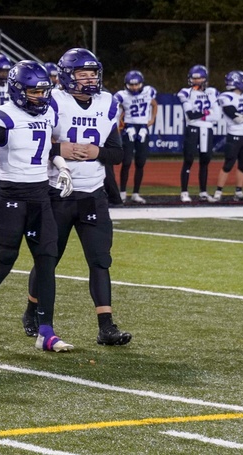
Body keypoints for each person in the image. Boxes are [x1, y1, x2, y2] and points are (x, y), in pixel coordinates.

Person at [0, 60, 75, 352]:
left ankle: (45, 331)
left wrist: (61, 166)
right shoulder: (3, 116)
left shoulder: (47, 113)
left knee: (47, 261)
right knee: (5, 260)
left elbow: (47, 146)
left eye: (44, 91)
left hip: (40, 194)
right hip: (11, 195)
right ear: (19, 91)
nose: (41, 97)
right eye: (35, 92)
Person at [18, 48, 129, 347]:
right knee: (48, 259)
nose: (90, 79)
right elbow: (30, 142)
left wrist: (98, 153)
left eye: (93, 74)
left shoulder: (108, 103)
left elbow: (117, 153)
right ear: (68, 77)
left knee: (100, 260)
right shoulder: (52, 101)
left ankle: (106, 326)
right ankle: (32, 310)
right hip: (57, 193)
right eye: (83, 74)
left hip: (93, 193)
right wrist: (59, 150)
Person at [178, 65, 220, 203]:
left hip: (206, 129)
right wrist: (207, 113)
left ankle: (203, 191)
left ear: (205, 79)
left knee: (205, 160)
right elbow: (190, 114)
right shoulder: (185, 92)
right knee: (189, 159)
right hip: (193, 129)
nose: (196, 81)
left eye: (199, 78)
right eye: (194, 78)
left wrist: (201, 115)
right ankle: (184, 192)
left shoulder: (212, 92)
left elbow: (217, 116)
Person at [114, 70, 157, 204]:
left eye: (136, 85)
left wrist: (152, 119)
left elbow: (154, 104)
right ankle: (122, 192)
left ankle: (136, 193)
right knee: (126, 162)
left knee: (140, 163)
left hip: (143, 128)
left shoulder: (149, 91)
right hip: (129, 128)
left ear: (141, 84)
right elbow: (116, 110)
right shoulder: (122, 95)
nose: (134, 87)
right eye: (131, 85)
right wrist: (117, 125)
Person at [213, 71, 243, 201]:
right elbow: (235, 117)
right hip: (234, 134)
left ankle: (239, 192)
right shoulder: (226, 97)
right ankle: (218, 192)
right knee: (228, 163)